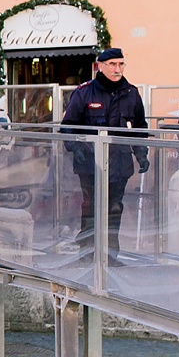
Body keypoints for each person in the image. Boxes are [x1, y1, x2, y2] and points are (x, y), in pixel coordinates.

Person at [60, 48, 149, 259]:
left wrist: (141, 154)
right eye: (113, 64)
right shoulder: (84, 92)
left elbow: (138, 129)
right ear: (100, 66)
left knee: (114, 209)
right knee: (91, 208)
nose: (118, 69)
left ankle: (110, 256)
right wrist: (77, 149)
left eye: (121, 64)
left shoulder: (131, 93)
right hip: (90, 164)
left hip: (119, 164)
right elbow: (68, 127)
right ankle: (87, 253)